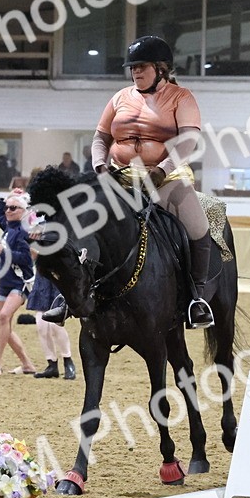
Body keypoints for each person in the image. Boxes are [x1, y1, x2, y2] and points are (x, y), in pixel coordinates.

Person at [43, 35, 214, 328]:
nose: (135, 71)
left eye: (142, 66)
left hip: (167, 178)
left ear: (161, 68)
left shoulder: (181, 97)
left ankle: (197, 299)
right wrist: (100, 164)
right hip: (120, 178)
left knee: (198, 227)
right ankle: (66, 297)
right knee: (79, 220)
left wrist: (162, 169)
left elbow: (188, 140)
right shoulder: (120, 97)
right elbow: (101, 137)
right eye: (132, 66)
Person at [0, 189, 37, 377]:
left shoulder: (25, 231)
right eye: (8, 207)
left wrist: (2, 252)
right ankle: (27, 364)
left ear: (23, 211)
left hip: (19, 282)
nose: (8, 210)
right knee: (4, 324)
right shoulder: (9, 226)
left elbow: (26, 259)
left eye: (13, 208)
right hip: (5, 282)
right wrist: (7, 197)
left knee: (3, 317)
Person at [25, 217, 76, 379]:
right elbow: (34, 256)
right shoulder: (39, 228)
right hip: (43, 278)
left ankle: (68, 360)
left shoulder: (65, 226)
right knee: (40, 324)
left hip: (59, 278)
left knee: (55, 325)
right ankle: (51, 364)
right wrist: (32, 245)